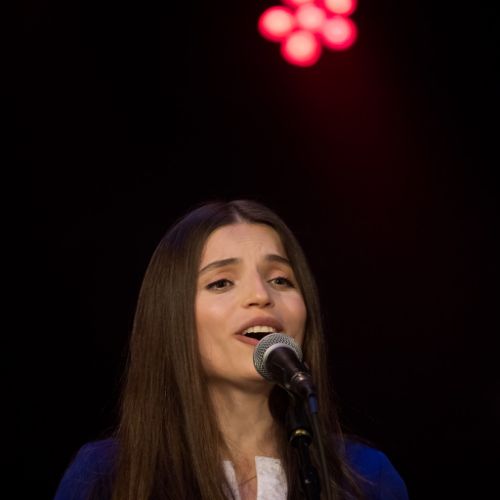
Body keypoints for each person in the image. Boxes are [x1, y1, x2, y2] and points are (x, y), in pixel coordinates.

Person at [54, 199, 409, 500]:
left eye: (280, 279)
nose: (261, 296)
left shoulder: (367, 477)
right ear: (172, 317)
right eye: (222, 282)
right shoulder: (106, 476)